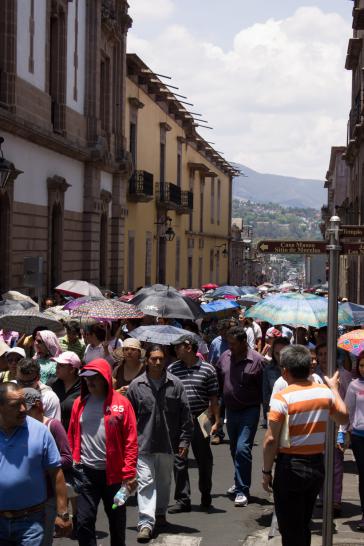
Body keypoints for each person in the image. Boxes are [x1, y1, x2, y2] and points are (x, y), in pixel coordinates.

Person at [263, 345, 348, 546]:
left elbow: (270, 439)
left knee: (290, 529)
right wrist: (334, 389)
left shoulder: (282, 398)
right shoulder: (324, 393)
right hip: (316, 466)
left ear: (285, 371)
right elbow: (343, 417)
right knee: (302, 524)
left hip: (290, 466)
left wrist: (266, 472)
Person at [68, 358, 138, 546]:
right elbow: (72, 435)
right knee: (84, 522)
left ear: (105, 378)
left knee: (116, 521)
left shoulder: (122, 404)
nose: (89, 382)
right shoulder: (79, 404)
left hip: (114, 477)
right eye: (86, 378)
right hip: (86, 474)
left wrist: (129, 473)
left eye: (94, 378)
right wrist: (71, 465)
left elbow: (131, 440)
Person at [127, 345, 193, 542]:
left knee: (164, 482)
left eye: (160, 359)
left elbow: (185, 415)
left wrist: (184, 440)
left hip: (168, 444)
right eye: (153, 358)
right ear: (146, 360)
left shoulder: (176, 384)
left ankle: (161, 514)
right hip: (143, 445)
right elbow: (128, 420)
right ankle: (146, 523)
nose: (157, 362)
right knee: (146, 482)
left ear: (165, 360)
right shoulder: (136, 385)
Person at [0, 382, 72, 545]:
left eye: (24, 403)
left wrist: (63, 513)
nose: (23, 409)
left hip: (30, 522)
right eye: (15, 405)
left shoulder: (40, 431)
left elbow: (56, 474)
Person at [168, 335, 220, 513]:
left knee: (204, 459)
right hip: (179, 419)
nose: (175, 350)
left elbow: (213, 397)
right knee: (179, 460)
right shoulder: (172, 369)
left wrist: (216, 420)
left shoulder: (208, 369)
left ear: (188, 347)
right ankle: (183, 499)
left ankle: (206, 494)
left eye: (178, 347)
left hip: (203, 417)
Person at [216, 326, 264, 506]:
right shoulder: (224, 358)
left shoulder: (257, 361)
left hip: (249, 410)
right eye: (229, 343)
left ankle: (243, 490)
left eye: (234, 344)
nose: (231, 347)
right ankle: (238, 480)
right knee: (234, 448)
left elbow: (263, 390)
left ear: (244, 343)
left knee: (243, 449)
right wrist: (218, 415)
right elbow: (220, 386)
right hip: (230, 410)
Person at [23, 387, 73, 546]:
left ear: (38, 405)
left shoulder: (53, 426)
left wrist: (45, 464)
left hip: (48, 494)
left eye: (27, 410)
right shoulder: (21, 429)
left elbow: (67, 457)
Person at [343, 350, 364, 530]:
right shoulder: (353, 385)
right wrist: (345, 434)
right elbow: (347, 412)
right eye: (362, 365)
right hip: (359, 437)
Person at [48, 351, 82, 431]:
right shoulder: (51, 384)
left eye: (61, 365)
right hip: (52, 433)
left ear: (72, 369)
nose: (57, 367)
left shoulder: (84, 388)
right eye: (57, 364)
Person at [262, 337, 290, 426]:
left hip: (293, 412)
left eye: (283, 353)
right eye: (277, 353)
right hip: (275, 413)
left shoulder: (295, 368)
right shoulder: (268, 369)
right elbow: (266, 395)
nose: (280, 357)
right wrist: (267, 416)